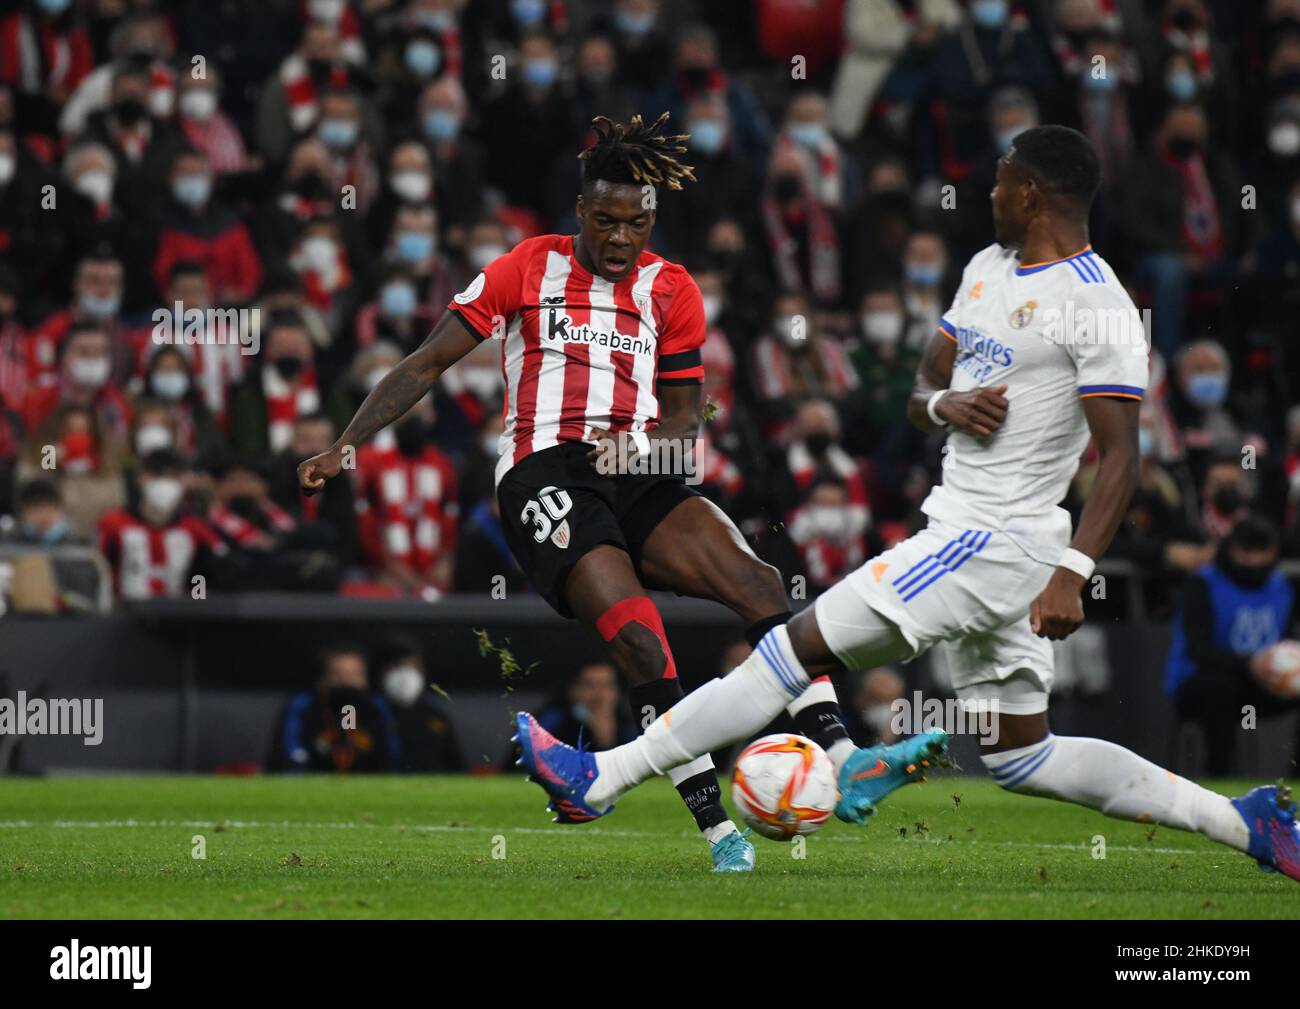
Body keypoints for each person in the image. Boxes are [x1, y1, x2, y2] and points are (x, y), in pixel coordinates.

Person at [516, 125, 1300, 882]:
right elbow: (926, 384)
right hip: (977, 537)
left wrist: (1074, 569)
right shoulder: (988, 267)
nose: (987, 190)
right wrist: (942, 408)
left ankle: (602, 777)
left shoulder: (1098, 306)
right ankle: (1245, 821)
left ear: (1031, 194)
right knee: (1023, 755)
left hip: (991, 542)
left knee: (789, 651)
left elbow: (1123, 458)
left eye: (999, 180)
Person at [298, 113, 899, 875]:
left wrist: (643, 448)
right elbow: (425, 362)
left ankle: (845, 757)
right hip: (545, 468)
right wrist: (345, 441)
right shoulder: (525, 267)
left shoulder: (672, 288)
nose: (621, 239)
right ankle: (720, 835)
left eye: (637, 222)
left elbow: (684, 418)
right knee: (642, 637)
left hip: (635, 462)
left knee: (761, 585)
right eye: (608, 220)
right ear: (580, 211)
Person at [1166, 515, 1299, 775]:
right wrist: (1250, 664)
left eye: (1262, 552)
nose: (1254, 561)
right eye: (1246, 552)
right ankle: (1218, 774)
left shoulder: (1282, 587)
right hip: (1199, 684)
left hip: (1262, 685)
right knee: (1221, 687)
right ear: (1231, 549)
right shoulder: (1203, 583)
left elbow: (1286, 639)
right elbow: (1198, 650)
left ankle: (1295, 778)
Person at [268, 641, 401, 773]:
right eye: (339, 675)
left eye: (355, 674)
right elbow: (290, 757)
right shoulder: (304, 707)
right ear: (322, 680)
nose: (348, 682)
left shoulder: (377, 709)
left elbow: (392, 758)